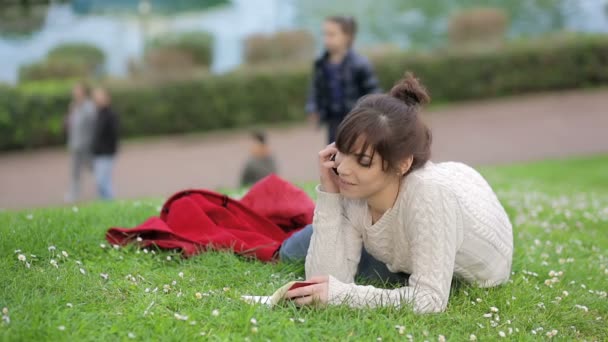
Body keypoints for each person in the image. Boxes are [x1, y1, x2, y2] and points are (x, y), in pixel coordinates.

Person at [281, 72, 513, 314]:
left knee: (369, 273)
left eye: (363, 161)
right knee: (292, 251)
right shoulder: (356, 189)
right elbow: (322, 283)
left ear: (402, 163)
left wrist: (346, 294)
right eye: (343, 151)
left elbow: (430, 299)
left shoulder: (430, 196)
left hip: (465, 265)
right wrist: (330, 193)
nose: (343, 168)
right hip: (400, 242)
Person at [306, 16, 381, 144]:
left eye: (331, 34)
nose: (326, 39)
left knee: (354, 153)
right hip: (332, 121)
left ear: (346, 36)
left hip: (355, 121)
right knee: (333, 154)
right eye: (324, 34)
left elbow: (374, 94)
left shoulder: (360, 64)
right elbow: (315, 89)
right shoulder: (321, 64)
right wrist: (312, 108)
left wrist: (370, 118)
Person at [65, 82, 96, 203]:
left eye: (77, 90)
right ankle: (73, 195)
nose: (74, 93)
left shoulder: (89, 107)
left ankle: (102, 192)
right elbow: (70, 125)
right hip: (75, 145)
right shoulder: (73, 106)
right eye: (74, 91)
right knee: (75, 172)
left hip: (87, 145)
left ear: (83, 92)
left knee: (93, 169)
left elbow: (93, 124)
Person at [91, 87, 119, 200]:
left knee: (102, 181)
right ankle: (105, 202)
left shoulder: (111, 115)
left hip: (106, 153)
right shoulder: (97, 114)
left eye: (100, 97)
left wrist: (110, 150)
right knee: (101, 182)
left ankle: (111, 201)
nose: (98, 99)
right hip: (97, 153)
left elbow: (114, 135)